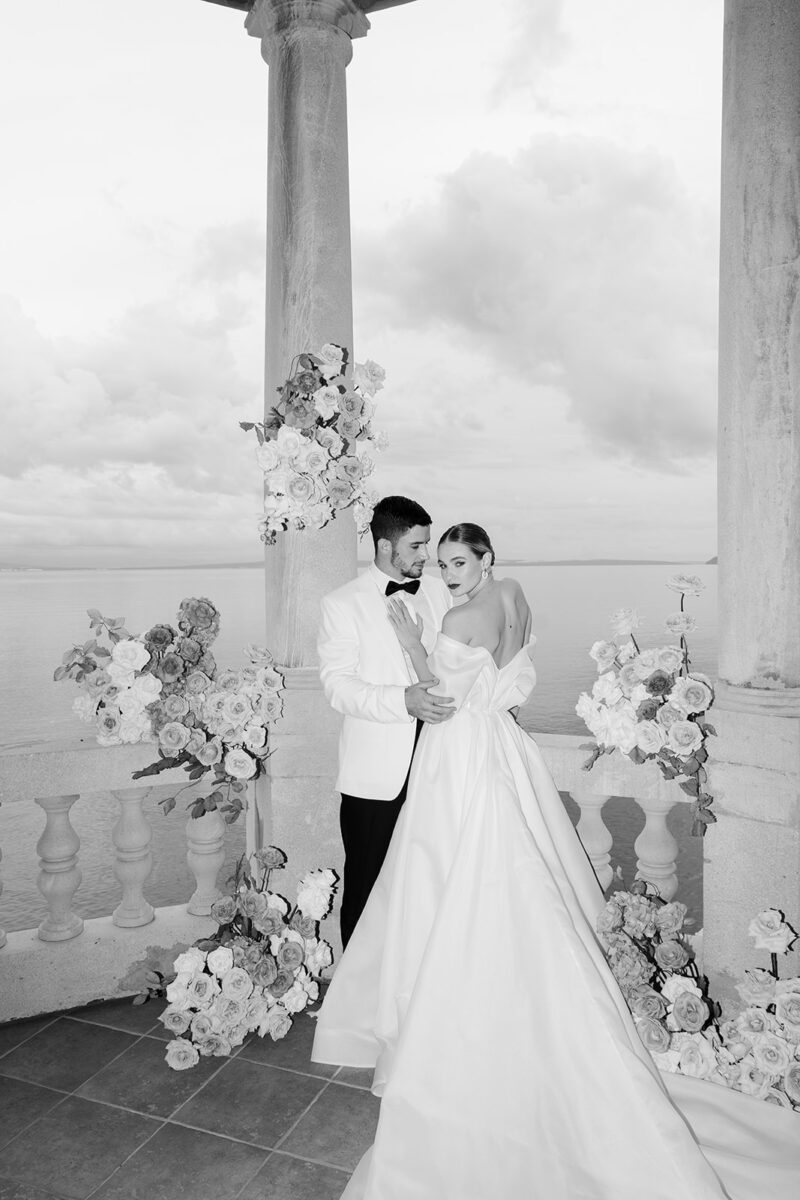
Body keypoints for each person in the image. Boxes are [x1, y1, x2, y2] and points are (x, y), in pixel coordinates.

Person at [311, 523, 737, 1200]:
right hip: (504, 746)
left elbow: (441, 699)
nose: (446, 572)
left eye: (457, 561)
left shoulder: (457, 614)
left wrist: (408, 641)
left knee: (452, 877)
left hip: (459, 754)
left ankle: (454, 1023)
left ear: (484, 558)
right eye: (441, 561)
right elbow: (512, 680)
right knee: (523, 870)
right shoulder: (516, 595)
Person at [317, 495, 453, 949]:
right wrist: (403, 702)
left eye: (426, 545)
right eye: (416, 547)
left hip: (439, 758)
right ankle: (353, 1002)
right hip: (375, 774)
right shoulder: (342, 604)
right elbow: (338, 687)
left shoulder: (437, 591)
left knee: (430, 880)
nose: (425, 556)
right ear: (383, 547)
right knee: (365, 883)